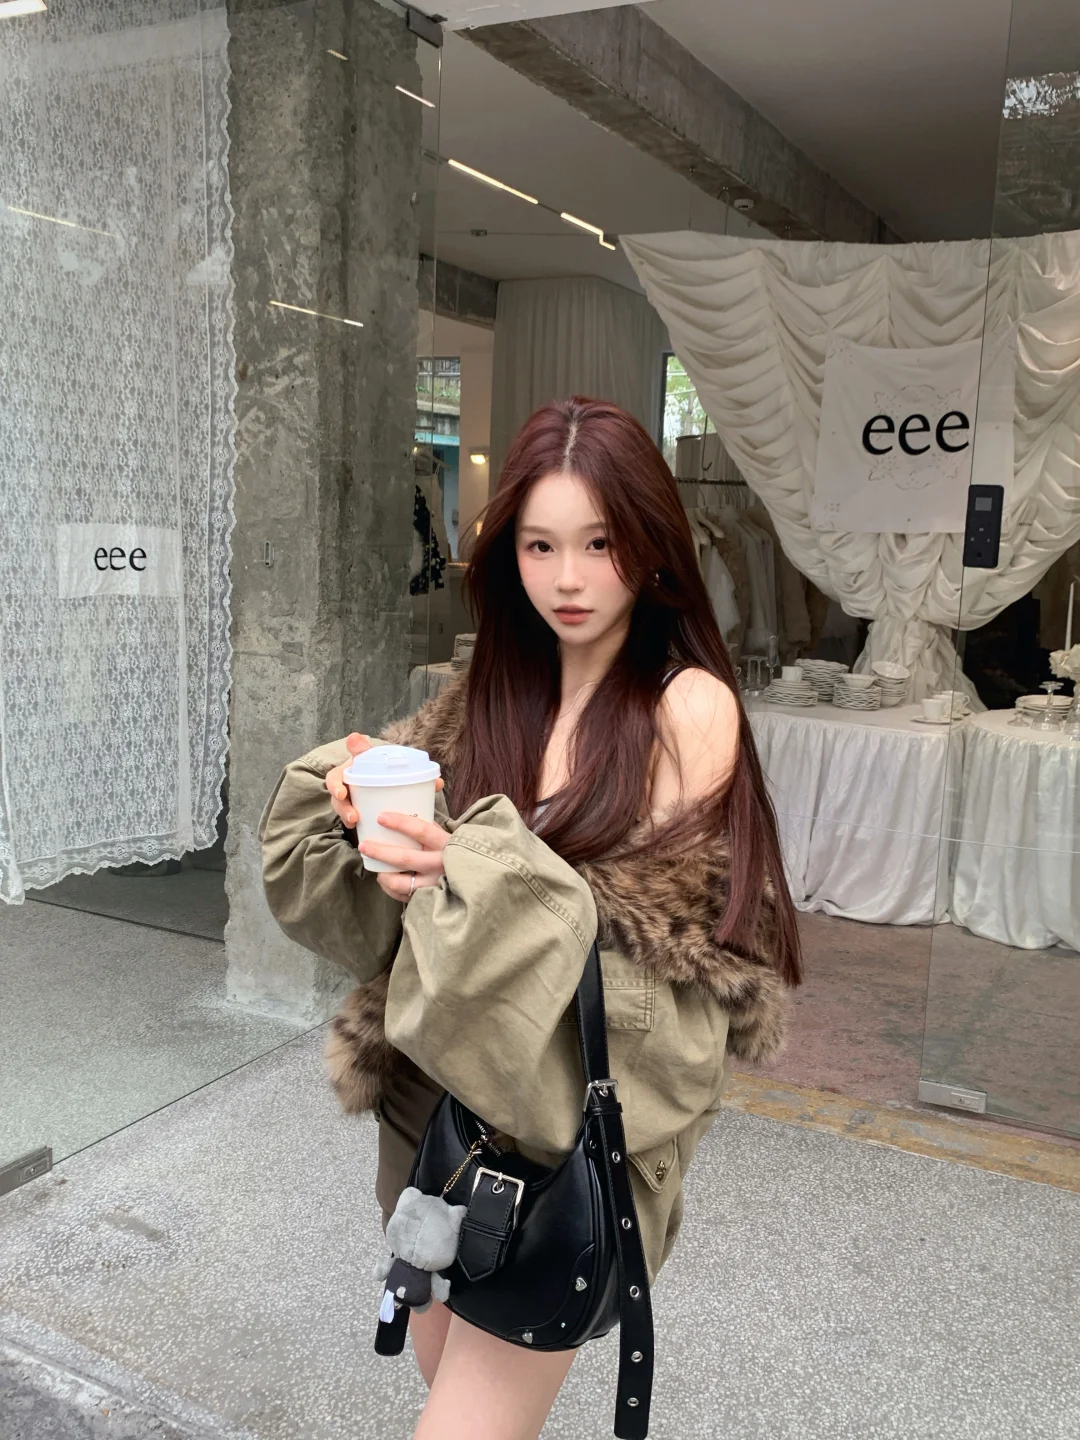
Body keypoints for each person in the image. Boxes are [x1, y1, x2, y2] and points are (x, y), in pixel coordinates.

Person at [260, 396, 801, 1440]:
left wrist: (466, 870)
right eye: (540, 545)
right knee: (441, 1376)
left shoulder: (682, 706)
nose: (568, 579)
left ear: (651, 546)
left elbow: (653, 961)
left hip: (564, 1121)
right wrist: (372, 820)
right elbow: (410, 879)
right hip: (430, 1104)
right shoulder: (488, 691)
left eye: (600, 543)